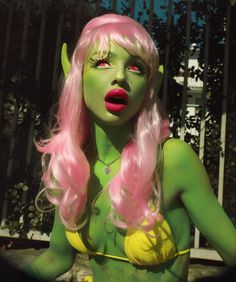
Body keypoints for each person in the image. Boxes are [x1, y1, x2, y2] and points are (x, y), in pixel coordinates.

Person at [24, 14, 236, 282]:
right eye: (102, 62)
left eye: (136, 67)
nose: (121, 76)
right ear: (78, 76)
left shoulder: (172, 160)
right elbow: (57, 258)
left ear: (149, 86)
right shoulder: (71, 166)